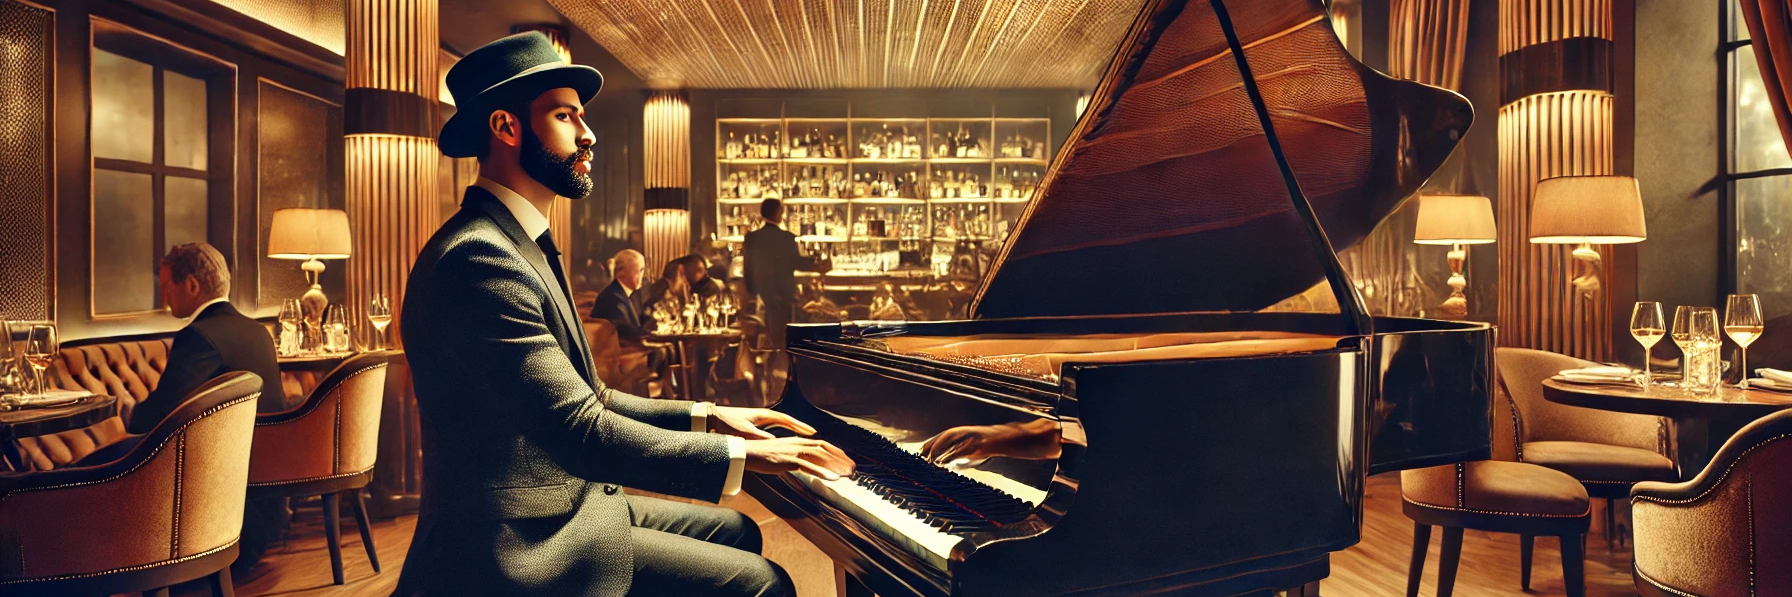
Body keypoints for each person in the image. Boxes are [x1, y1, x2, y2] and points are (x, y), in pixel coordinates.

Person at [396, 32, 853, 597]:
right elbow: (578, 432)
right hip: (512, 543)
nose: (588, 135)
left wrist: (713, 417)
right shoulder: (479, 258)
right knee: (762, 583)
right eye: (566, 117)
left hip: (560, 508)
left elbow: (593, 399)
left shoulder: (517, 241)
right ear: (506, 127)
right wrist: (747, 454)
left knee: (737, 530)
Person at [82, 242, 289, 577]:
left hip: (213, 515)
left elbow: (158, 416)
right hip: (257, 514)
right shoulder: (257, 332)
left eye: (168, 287)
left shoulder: (199, 337)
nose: (166, 298)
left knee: (91, 466)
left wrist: (126, 412)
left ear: (191, 285)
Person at [743, 199, 827, 348]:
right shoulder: (787, 238)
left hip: (761, 296)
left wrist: (752, 292)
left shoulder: (751, 238)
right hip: (784, 295)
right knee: (784, 336)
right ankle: (781, 363)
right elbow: (797, 262)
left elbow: (748, 268)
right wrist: (818, 265)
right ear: (777, 213)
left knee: (765, 336)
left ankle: (767, 363)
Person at [591, 249, 653, 342]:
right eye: (638, 270)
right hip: (616, 351)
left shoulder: (630, 294)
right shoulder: (612, 297)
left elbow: (637, 321)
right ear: (621, 272)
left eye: (642, 270)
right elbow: (625, 332)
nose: (642, 276)